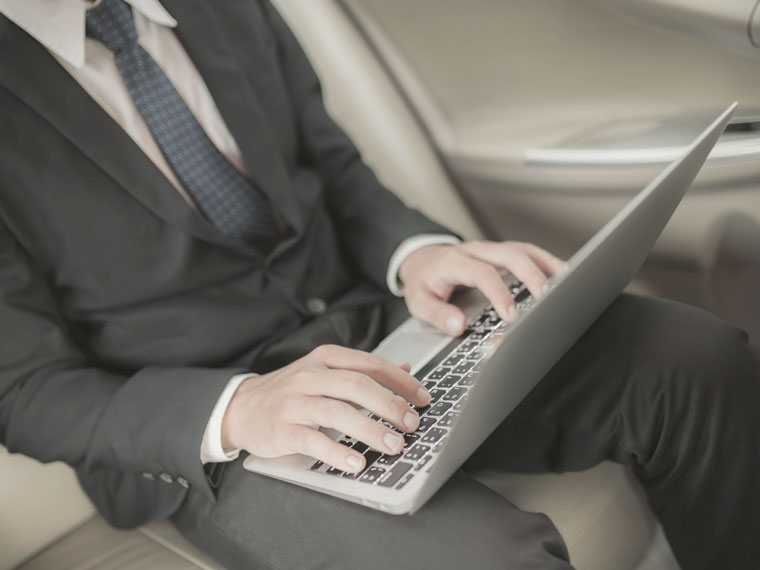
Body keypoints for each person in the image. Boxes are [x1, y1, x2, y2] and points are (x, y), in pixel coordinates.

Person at [0, 1, 757, 568]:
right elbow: (22, 388)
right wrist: (240, 408)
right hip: (212, 435)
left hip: (383, 330)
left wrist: (416, 252)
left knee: (695, 357)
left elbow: (331, 169)